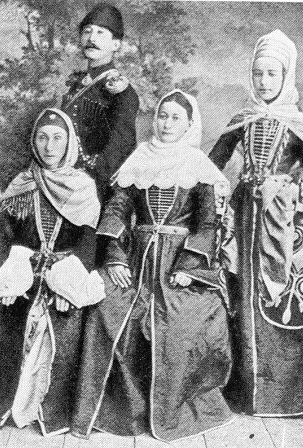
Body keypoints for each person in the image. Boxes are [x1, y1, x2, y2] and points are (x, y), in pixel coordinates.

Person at [71, 90, 233, 442]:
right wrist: (114, 256)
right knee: (106, 309)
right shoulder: (139, 158)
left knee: (181, 322)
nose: (167, 124)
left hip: (179, 263)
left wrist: (189, 266)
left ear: (188, 125)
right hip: (137, 260)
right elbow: (116, 210)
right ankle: (124, 409)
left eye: (175, 118)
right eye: (162, 116)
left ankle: (172, 409)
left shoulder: (198, 165)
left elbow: (208, 224)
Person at [0, 108, 104, 436]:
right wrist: (4, 281)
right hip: (22, 273)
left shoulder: (83, 186)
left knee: (69, 320)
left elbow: (88, 243)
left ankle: (48, 409)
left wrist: (70, 287)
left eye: (57, 138)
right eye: (42, 138)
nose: (49, 146)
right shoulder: (22, 183)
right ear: (33, 142)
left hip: (65, 273)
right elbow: (0, 236)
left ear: (69, 143)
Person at [209, 30, 303, 417]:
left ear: (286, 75)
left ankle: (283, 396)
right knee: (243, 295)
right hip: (244, 215)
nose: (263, 81)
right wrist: (214, 194)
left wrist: (294, 196)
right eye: (257, 74)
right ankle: (244, 392)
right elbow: (212, 164)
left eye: (272, 74)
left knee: (280, 297)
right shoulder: (242, 119)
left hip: (284, 219)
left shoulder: (298, 122)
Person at [62, 3, 139, 200]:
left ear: (116, 45)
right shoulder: (76, 85)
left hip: (97, 187)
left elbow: (121, 146)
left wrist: (90, 178)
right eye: (87, 31)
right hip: (65, 178)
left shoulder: (122, 92)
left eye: (100, 33)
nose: (91, 39)